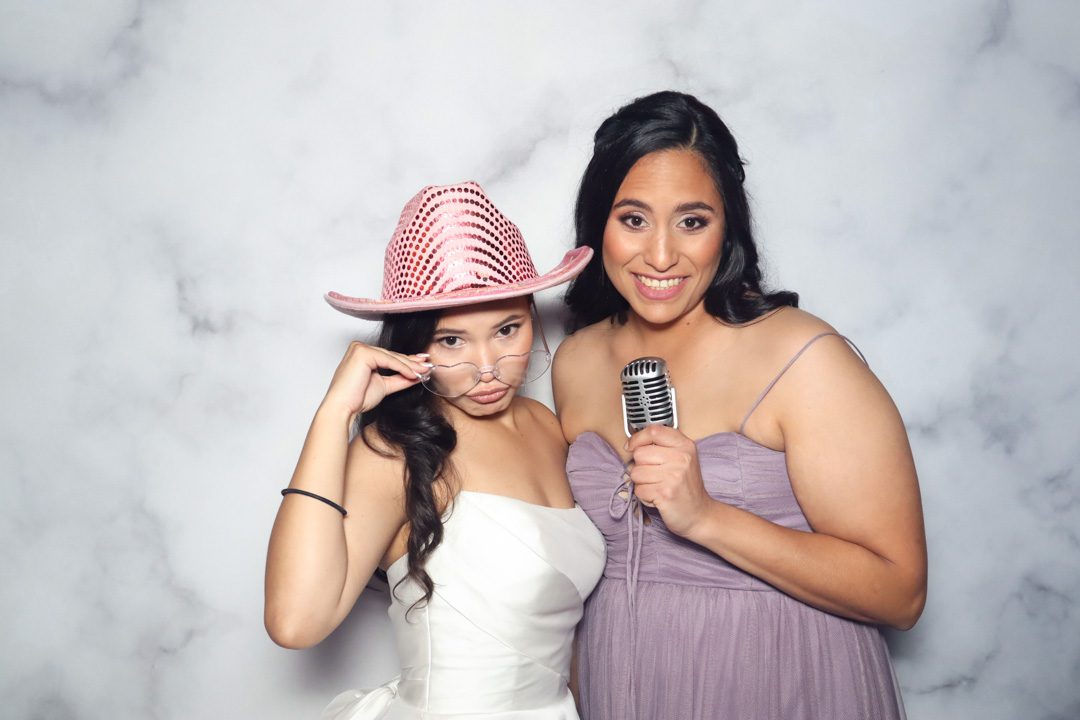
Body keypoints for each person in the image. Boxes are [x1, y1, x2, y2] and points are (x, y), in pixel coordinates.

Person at [554, 91, 927, 719]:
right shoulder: (575, 361)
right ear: (598, 224)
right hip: (625, 683)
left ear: (727, 227)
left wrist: (706, 518)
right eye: (633, 219)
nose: (661, 256)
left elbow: (901, 593)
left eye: (692, 222)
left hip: (780, 681)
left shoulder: (803, 357)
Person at [265, 182, 605, 719]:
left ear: (531, 316)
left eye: (507, 329)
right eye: (452, 340)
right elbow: (294, 623)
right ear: (414, 343)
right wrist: (335, 413)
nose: (487, 367)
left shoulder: (544, 424)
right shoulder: (396, 452)